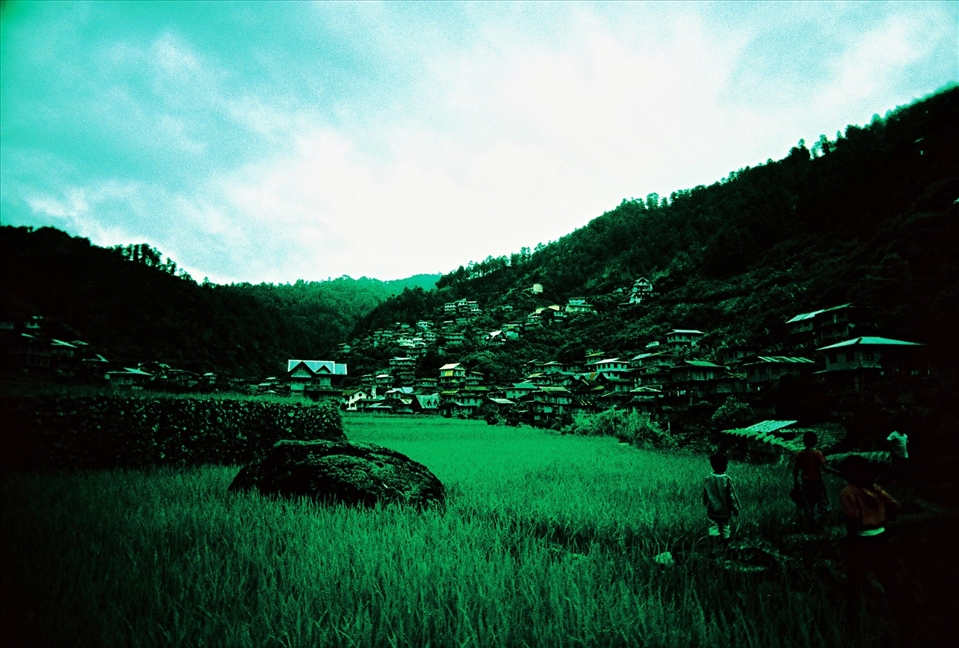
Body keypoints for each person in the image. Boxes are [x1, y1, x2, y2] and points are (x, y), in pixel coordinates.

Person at [792, 431, 836, 527]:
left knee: (809, 506)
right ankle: (816, 521)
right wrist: (838, 472)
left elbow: (795, 470)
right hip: (816, 483)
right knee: (825, 506)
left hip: (805, 483)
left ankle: (809, 526)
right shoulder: (817, 453)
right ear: (815, 441)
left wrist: (796, 482)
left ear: (804, 441)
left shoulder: (800, 454)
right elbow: (825, 468)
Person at [703, 452, 740, 549]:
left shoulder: (708, 478)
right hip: (725, 510)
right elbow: (732, 496)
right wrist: (735, 508)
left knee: (713, 527)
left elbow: (705, 492)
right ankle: (726, 547)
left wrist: (705, 501)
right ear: (724, 466)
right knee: (725, 527)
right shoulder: (726, 479)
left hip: (712, 509)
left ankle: (714, 547)